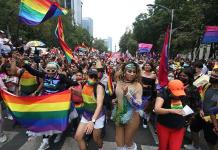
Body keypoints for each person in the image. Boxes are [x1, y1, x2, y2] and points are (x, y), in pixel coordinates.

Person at [23, 61, 79, 150]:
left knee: (58, 121)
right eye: (48, 70)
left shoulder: (61, 77)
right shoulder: (44, 75)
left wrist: (75, 83)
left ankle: (59, 134)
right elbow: (34, 72)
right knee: (44, 121)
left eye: (52, 70)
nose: (50, 72)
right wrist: (25, 65)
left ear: (56, 70)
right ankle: (45, 141)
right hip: (46, 103)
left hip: (58, 104)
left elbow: (72, 82)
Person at [185, 63, 218, 150]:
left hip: (213, 119)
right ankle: (195, 146)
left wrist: (213, 120)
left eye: (215, 76)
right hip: (201, 114)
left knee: (211, 140)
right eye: (212, 74)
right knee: (193, 128)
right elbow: (201, 98)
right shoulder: (207, 86)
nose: (213, 76)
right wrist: (200, 109)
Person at [111, 62, 143, 150]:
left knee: (128, 142)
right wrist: (116, 100)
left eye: (134, 71)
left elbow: (138, 105)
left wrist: (127, 93)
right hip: (119, 113)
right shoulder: (119, 81)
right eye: (129, 71)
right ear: (124, 72)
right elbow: (119, 96)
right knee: (119, 142)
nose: (132, 73)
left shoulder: (138, 86)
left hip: (132, 116)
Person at [74, 68, 105, 150]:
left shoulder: (99, 87)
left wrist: (93, 121)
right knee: (78, 137)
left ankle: (101, 147)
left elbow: (99, 105)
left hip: (97, 116)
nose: (93, 79)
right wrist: (74, 91)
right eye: (91, 76)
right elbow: (83, 94)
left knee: (96, 139)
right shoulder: (84, 84)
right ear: (87, 76)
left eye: (95, 77)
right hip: (86, 114)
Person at [155, 80, 186, 150]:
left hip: (179, 127)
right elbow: (157, 109)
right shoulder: (162, 94)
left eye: (180, 93)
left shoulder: (183, 95)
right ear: (169, 90)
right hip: (164, 126)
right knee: (163, 148)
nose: (178, 95)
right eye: (176, 93)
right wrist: (171, 110)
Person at [141, 62, 157, 128]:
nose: (147, 66)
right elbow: (137, 81)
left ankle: (145, 120)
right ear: (144, 66)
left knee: (146, 106)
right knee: (140, 105)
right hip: (140, 91)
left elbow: (155, 85)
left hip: (149, 92)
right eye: (146, 65)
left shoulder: (154, 75)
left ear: (151, 67)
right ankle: (140, 117)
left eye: (148, 65)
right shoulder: (140, 73)